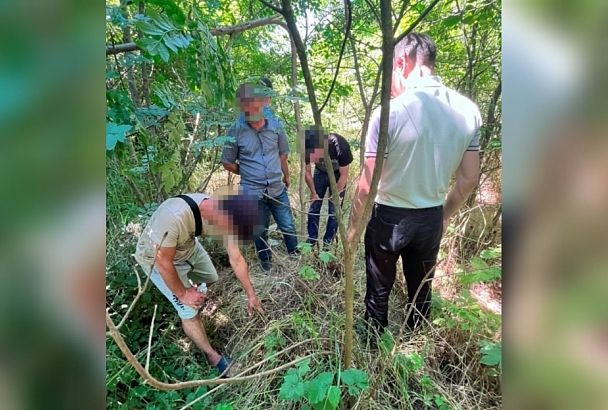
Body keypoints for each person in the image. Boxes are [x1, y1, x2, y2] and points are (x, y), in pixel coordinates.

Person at [347, 32, 482, 332]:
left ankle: (374, 343)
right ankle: (418, 346)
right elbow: (469, 178)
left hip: (389, 218)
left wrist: (353, 229)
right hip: (431, 216)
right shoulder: (468, 111)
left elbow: (367, 185)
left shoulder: (389, 113)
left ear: (401, 62)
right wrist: (443, 215)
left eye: (392, 71)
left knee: (378, 291)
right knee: (422, 293)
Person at [134, 192, 264, 377]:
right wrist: (183, 294)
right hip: (158, 261)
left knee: (211, 276)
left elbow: (237, 259)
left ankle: (197, 295)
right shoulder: (173, 218)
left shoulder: (223, 214)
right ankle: (214, 357)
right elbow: (163, 261)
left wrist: (251, 294)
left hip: (187, 247)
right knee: (189, 311)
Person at [222, 78, 298, 272]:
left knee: (287, 225)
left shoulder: (275, 125)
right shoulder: (236, 129)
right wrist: (246, 172)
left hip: (276, 187)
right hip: (252, 192)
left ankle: (296, 260)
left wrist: (286, 176)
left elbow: (283, 154)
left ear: (264, 103)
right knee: (259, 231)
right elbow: (227, 162)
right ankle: (266, 266)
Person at [304, 129, 353, 247]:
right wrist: (313, 191)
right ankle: (311, 240)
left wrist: (335, 195)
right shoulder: (306, 145)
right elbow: (306, 172)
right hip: (320, 173)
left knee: (334, 210)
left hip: (337, 174)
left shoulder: (341, 146)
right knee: (314, 206)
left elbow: (344, 175)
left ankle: (328, 244)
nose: (314, 157)